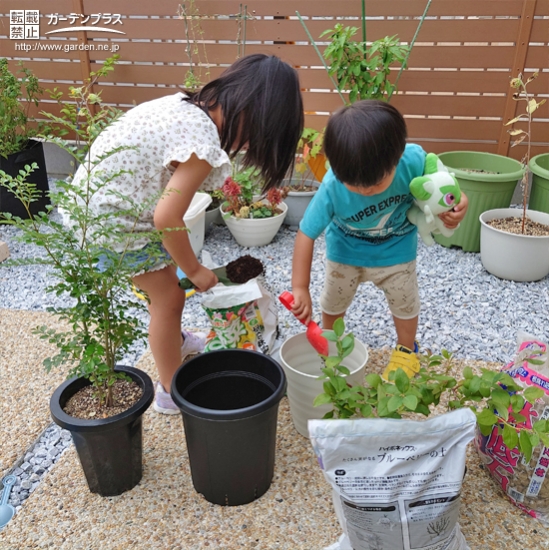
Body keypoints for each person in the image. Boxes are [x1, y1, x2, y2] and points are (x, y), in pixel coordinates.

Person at [71, 54, 304, 413]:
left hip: (92, 203)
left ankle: (175, 340)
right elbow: (167, 218)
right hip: (112, 220)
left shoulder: (185, 106)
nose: (246, 148)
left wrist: (182, 264)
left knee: (164, 282)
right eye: (256, 140)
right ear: (254, 118)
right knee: (169, 299)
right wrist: (193, 270)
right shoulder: (203, 141)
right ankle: (171, 392)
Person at [290, 100, 468, 380]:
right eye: (356, 185)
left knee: (405, 301)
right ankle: (330, 346)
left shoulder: (414, 161)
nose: (367, 190)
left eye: (375, 183)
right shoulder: (332, 187)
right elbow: (306, 233)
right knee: (333, 302)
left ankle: (407, 350)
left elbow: (446, 186)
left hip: (396, 249)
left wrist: (457, 205)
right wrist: (300, 287)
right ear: (335, 168)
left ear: (396, 158)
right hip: (345, 252)